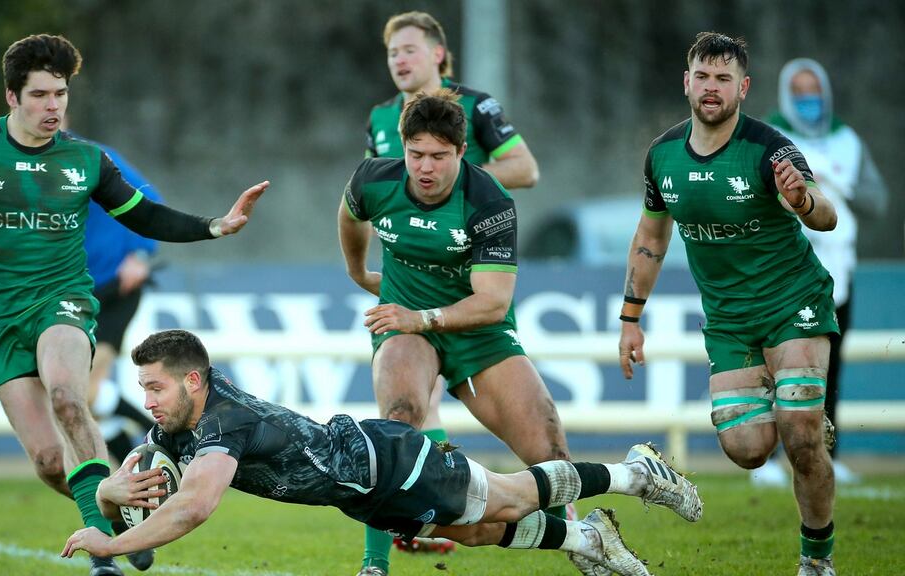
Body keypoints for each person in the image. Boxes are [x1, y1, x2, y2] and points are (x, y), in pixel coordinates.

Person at [0, 34, 268, 576]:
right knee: (47, 462)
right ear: (11, 97)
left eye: (61, 94)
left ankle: (102, 559)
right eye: (40, 95)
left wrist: (213, 225)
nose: (53, 107)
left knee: (70, 396)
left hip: (61, 300)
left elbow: (145, 216)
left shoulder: (87, 160)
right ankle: (119, 521)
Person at [60, 329, 703, 576]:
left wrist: (110, 547)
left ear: (193, 381)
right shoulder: (180, 419)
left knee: (507, 496)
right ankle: (587, 543)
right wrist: (114, 492)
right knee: (478, 532)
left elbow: (196, 506)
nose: (144, 398)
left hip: (387, 461)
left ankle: (633, 472)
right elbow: (143, 464)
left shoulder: (224, 425)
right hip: (360, 496)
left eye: (153, 386)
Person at [617, 33, 839, 576]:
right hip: (729, 321)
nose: (710, 87)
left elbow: (826, 216)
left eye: (723, 79)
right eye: (702, 76)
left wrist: (803, 200)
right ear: (686, 82)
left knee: (801, 436)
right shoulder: (662, 155)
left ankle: (816, 561)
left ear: (743, 88)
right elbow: (650, 238)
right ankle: (797, 409)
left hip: (794, 302)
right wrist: (630, 319)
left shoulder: (770, 148)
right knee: (747, 448)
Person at [342, 89, 581, 575]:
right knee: (398, 425)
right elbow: (349, 216)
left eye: (438, 156)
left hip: (476, 329)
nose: (425, 167)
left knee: (550, 453)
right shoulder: (373, 179)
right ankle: (373, 564)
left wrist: (424, 317)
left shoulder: (489, 200)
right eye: (415, 155)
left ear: (461, 152)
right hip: (405, 326)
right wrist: (357, 272)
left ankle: (584, 547)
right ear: (402, 148)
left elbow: (492, 303)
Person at [362, 10, 544, 563]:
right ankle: (406, 535)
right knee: (406, 413)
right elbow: (373, 194)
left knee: (538, 435)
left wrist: (460, 179)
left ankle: (566, 523)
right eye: (393, 51)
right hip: (408, 286)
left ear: (439, 55)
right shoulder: (380, 117)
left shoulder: (477, 105)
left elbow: (526, 169)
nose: (400, 59)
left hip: (469, 282)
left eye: (411, 49)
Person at [749, 58, 888, 487]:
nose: (809, 100)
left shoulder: (847, 140)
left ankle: (831, 452)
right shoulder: (769, 136)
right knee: (780, 363)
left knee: (832, 365)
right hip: (787, 268)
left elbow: (876, 201)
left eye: (815, 91)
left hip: (837, 268)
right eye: (800, 92)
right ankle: (772, 458)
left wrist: (832, 183)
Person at [75, 132, 161, 466]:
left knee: (83, 392)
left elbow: (148, 196)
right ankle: (145, 461)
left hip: (114, 291)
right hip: (68, 294)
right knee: (80, 397)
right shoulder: (21, 172)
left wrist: (140, 253)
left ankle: (149, 444)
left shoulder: (94, 158)